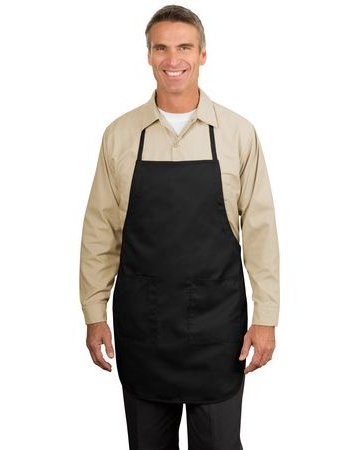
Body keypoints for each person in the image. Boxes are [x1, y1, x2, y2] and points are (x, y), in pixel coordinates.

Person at [79, 5, 280, 449]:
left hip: (218, 330)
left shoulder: (237, 133)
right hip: (144, 327)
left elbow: (261, 233)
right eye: (161, 48)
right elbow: (100, 232)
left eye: (184, 47)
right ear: (148, 55)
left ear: (203, 54)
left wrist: (266, 319)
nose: (173, 59)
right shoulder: (120, 135)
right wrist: (94, 312)